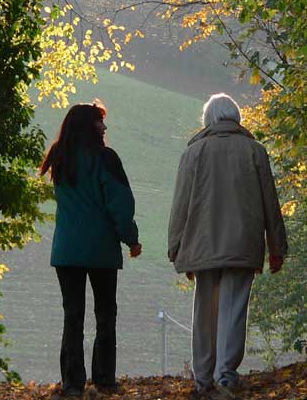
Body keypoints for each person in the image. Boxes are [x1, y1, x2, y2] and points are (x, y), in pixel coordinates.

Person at [167, 93, 288, 399]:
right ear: (236, 118)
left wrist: (176, 246)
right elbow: (269, 202)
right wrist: (277, 246)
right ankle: (226, 376)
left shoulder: (193, 152)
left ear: (209, 119)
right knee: (233, 310)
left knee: (204, 310)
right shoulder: (254, 150)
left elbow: (180, 203)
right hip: (242, 242)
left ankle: (202, 378)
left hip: (201, 244)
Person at [39, 101, 142, 397]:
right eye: (100, 122)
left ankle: (72, 383)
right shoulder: (105, 159)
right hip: (101, 251)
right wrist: (131, 240)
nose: (104, 127)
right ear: (89, 125)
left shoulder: (59, 157)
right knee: (105, 313)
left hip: (67, 251)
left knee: (72, 316)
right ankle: (104, 379)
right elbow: (121, 205)